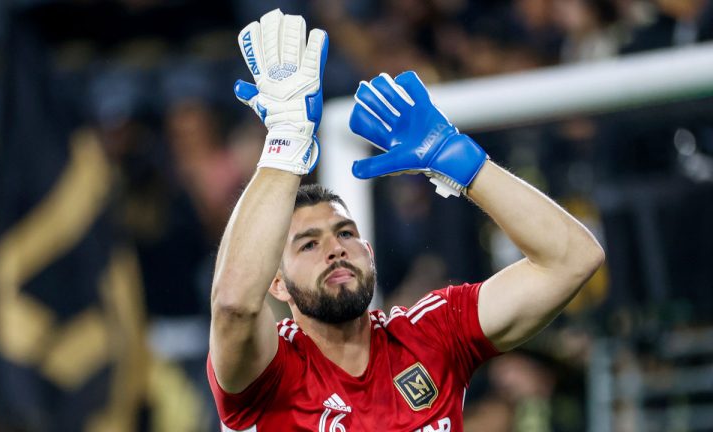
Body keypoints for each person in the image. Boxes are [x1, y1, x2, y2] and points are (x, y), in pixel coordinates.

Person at [207, 9, 605, 432]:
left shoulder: (431, 334)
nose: (335, 248)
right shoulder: (270, 371)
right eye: (308, 243)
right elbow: (233, 305)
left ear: (369, 253)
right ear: (277, 283)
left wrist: (463, 164)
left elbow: (573, 259)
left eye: (345, 233)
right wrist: (287, 140)